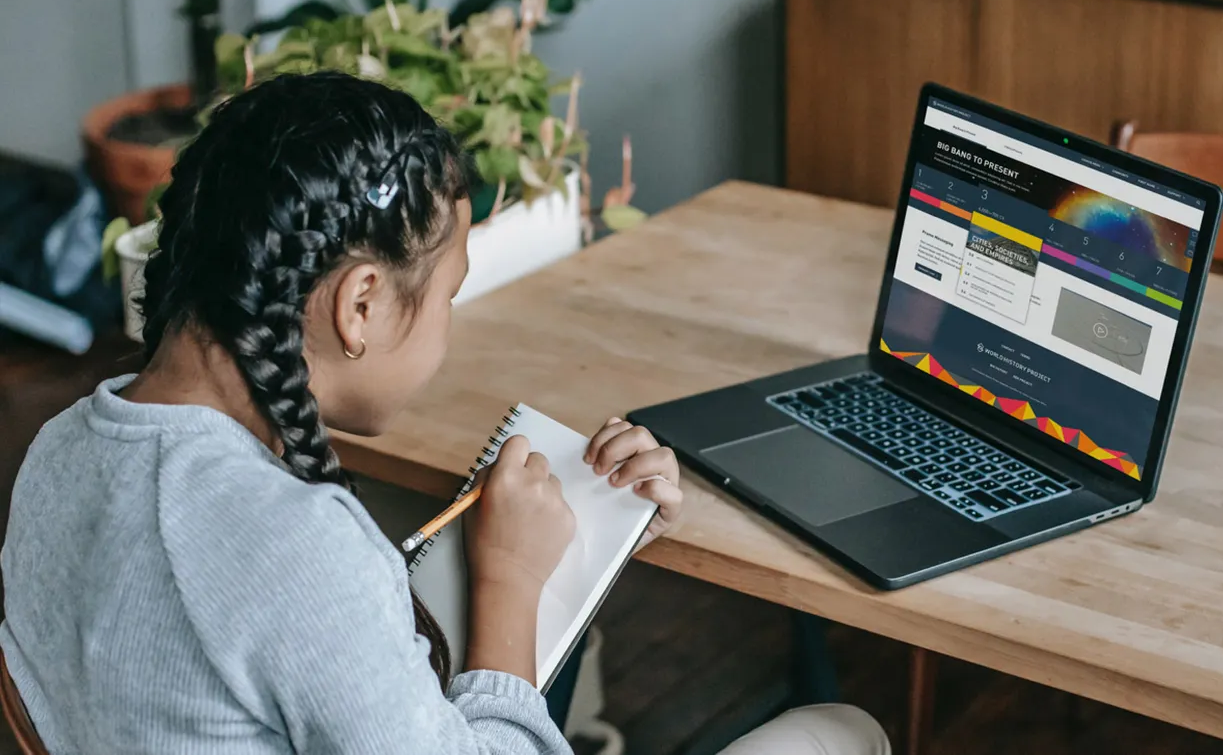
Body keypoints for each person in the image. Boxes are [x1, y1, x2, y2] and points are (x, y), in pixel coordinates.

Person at [0, 72, 888, 754]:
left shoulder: (60, 449)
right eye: (449, 297)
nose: (448, 328)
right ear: (360, 306)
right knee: (847, 732)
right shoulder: (294, 551)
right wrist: (505, 584)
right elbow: (293, 593)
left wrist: (578, 539)